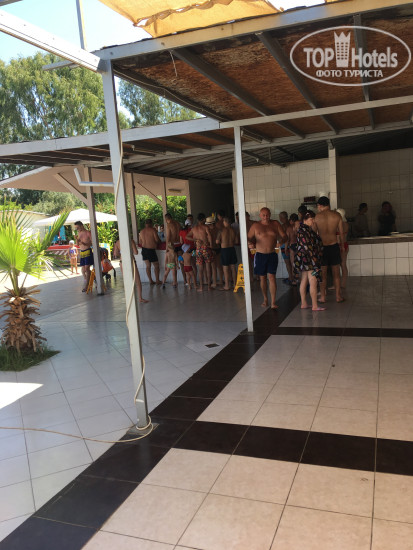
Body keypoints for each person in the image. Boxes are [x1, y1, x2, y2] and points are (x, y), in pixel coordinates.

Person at [247, 207, 286, 309]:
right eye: (263, 215)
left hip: (272, 254)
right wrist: (250, 243)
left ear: (270, 214)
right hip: (260, 255)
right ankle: (265, 299)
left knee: (272, 277)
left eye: (267, 215)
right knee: (262, 278)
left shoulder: (275, 224)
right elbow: (248, 237)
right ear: (260, 215)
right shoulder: (256, 225)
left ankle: (273, 302)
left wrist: (281, 241)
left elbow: (285, 236)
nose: (265, 217)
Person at [314, 196, 345, 303]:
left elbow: (313, 235)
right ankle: (338, 296)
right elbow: (341, 233)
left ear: (320, 205)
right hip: (334, 246)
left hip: (322, 247)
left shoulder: (317, 217)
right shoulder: (337, 215)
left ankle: (323, 297)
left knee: (323, 274)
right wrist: (342, 246)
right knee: (336, 273)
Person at [294, 210, 325, 311]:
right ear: (305, 219)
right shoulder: (303, 231)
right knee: (313, 280)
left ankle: (304, 303)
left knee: (304, 280)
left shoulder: (305, 229)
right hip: (309, 260)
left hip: (303, 259)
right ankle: (315, 305)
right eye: (311, 219)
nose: (313, 221)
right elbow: (307, 247)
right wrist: (314, 262)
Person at [113, 239, 148, 303]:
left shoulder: (117, 242)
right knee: (137, 281)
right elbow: (136, 252)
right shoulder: (131, 241)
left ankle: (129, 299)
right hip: (131, 261)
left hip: (122, 262)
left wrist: (122, 252)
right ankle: (140, 298)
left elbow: (115, 254)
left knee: (127, 282)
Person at [186, 213, 214, 292]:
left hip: (198, 249)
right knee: (208, 268)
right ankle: (209, 286)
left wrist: (195, 240)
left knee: (200, 269)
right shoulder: (205, 227)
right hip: (206, 248)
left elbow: (187, 236)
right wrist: (211, 245)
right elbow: (209, 236)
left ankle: (201, 287)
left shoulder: (194, 228)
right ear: (203, 219)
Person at [216, 217, 238, 291]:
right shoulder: (233, 230)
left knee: (225, 268)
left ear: (225, 222)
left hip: (225, 250)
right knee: (233, 267)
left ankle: (227, 285)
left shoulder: (221, 230)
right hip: (232, 249)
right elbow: (236, 241)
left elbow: (217, 241)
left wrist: (222, 242)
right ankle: (235, 284)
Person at [138, 219, 162, 285]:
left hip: (144, 250)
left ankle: (150, 280)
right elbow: (157, 240)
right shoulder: (153, 230)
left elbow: (140, 242)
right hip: (151, 250)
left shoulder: (141, 231)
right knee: (156, 265)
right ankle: (157, 280)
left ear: (145, 224)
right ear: (151, 224)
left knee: (148, 266)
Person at [74, 221, 93, 292]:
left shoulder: (88, 233)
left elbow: (91, 243)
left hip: (87, 251)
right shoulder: (79, 233)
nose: (77, 229)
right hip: (82, 252)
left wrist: (84, 243)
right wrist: (77, 239)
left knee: (87, 268)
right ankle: (89, 279)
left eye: (78, 228)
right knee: (84, 269)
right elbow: (78, 244)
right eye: (76, 228)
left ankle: (87, 285)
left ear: (82, 226)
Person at [206, 216, 223, 288]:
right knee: (219, 266)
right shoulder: (218, 230)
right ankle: (221, 280)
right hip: (218, 248)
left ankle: (215, 282)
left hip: (212, 249)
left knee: (213, 267)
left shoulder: (209, 231)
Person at [279, 211, 294, 285]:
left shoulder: (282, 226)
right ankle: (293, 278)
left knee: (288, 263)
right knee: (292, 263)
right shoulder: (291, 224)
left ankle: (291, 278)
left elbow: (283, 237)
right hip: (292, 245)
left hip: (285, 246)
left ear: (281, 218)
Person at [336, 208, 349, 289]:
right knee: (343, 265)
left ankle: (336, 284)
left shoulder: (338, 224)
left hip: (339, 246)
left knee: (336, 266)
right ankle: (343, 283)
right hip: (345, 245)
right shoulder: (346, 224)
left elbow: (338, 237)